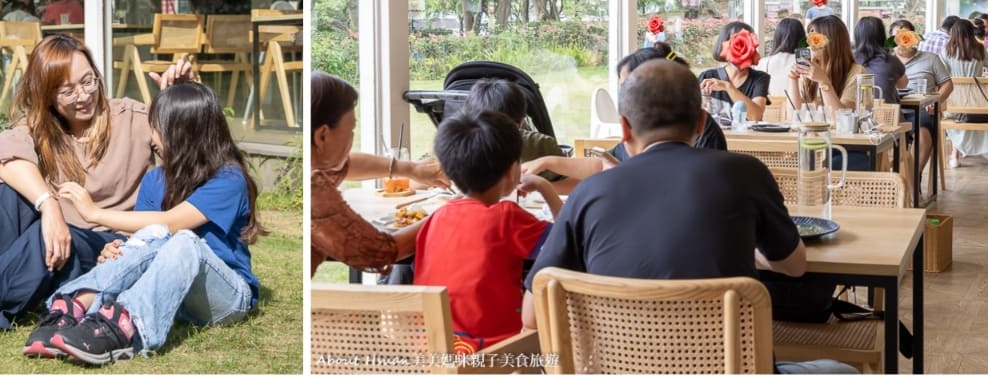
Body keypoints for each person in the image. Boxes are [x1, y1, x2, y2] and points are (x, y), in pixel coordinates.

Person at [519, 60, 855, 374]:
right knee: (845, 371)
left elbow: (532, 314)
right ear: (701, 121)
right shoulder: (745, 174)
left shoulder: (587, 194)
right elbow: (794, 266)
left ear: (624, 128)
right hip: (734, 370)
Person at [0, 35, 193, 346]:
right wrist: (49, 206)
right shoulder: (40, 127)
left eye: (88, 81)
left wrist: (175, 103)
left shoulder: (131, 117)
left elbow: (189, 152)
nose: (83, 96)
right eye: (67, 90)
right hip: (57, 242)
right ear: (47, 95)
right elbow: (6, 160)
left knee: (42, 239)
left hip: (109, 246)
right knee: (10, 193)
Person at [25, 82, 263, 364]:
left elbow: (172, 222)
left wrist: (95, 213)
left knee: (182, 239)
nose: (152, 137)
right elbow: (145, 234)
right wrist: (117, 250)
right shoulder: (155, 180)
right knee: (149, 234)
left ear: (182, 133)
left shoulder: (228, 178)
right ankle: (76, 305)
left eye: (156, 128)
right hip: (171, 296)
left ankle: (124, 326)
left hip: (225, 299)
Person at [414, 110, 562, 353]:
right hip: (497, 351)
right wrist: (545, 187)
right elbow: (564, 240)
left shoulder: (436, 218)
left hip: (435, 350)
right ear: (512, 171)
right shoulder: (506, 216)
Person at [522, 42, 726, 186]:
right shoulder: (643, 127)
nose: (625, 94)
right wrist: (547, 164)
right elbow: (599, 166)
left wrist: (622, 174)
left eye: (628, 85)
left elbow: (669, 185)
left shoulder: (701, 135)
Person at [309, 71, 448, 277]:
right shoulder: (314, 190)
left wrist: (411, 169)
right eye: (351, 129)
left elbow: (345, 164)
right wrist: (446, 216)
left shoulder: (316, 167)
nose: (352, 137)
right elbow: (379, 252)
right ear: (322, 135)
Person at [892, 20, 953, 193]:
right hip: (893, 111)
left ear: (916, 38)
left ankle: (912, 178)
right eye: (897, 35)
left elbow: (948, 84)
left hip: (921, 110)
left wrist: (936, 102)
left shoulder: (930, 58)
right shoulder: (887, 60)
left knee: (923, 133)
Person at [942, 19, 988, 168]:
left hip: (953, 106)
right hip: (980, 105)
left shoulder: (946, 50)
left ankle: (955, 156)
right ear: (972, 32)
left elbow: (941, 73)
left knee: (957, 115)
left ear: (953, 33)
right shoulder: (979, 48)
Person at [789, 16, 866, 118]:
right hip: (812, 132)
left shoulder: (857, 72)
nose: (808, 45)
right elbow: (794, 116)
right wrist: (793, 80)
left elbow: (840, 119)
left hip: (841, 133)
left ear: (832, 44)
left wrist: (824, 81)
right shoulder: (809, 69)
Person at [698, 22, 770, 120]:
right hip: (714, 135)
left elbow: (756, 116)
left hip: (746, 135)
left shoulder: (760, 78)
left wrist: (728, 87)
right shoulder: (707, 77)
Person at [853, 16, 907, 104]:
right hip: (888, 115)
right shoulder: (891, 61)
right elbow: (903, 85)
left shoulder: (850, 60)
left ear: (857, 36)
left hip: (857, 114)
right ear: (882, 36)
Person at [759, 18, 806, 96]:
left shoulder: (763, 63)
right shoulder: (805, 62)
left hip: (774, 107)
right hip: (801, 107)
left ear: (777, 37)